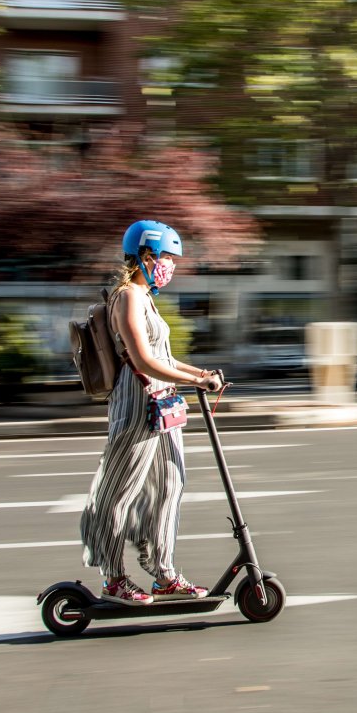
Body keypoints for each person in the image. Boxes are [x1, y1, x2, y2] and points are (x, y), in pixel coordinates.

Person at [80, 220, 224, 605]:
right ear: (146, 255)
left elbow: (164, 356)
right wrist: (197, 384)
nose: (170, 266)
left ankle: (164, 575)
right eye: (166, 258)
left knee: (169, 487)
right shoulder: (127, 296)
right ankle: (113, 579)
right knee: (119, 493)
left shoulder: (146, 297)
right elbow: (143, 360)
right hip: (137, 402)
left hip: (162, 403)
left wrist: (201, 374)